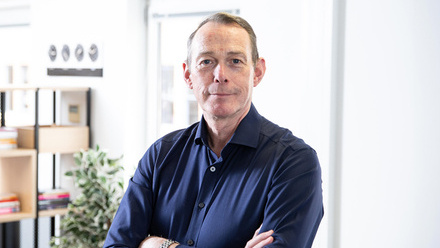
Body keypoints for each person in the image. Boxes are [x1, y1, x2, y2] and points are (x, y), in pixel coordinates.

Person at [104, 12, 323, 248]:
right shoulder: (160, 156)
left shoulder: (293, 162)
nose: (220, 76)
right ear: (188, 75)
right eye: (207, 61)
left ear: (257, 72)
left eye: (235, 61)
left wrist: (157, 245)